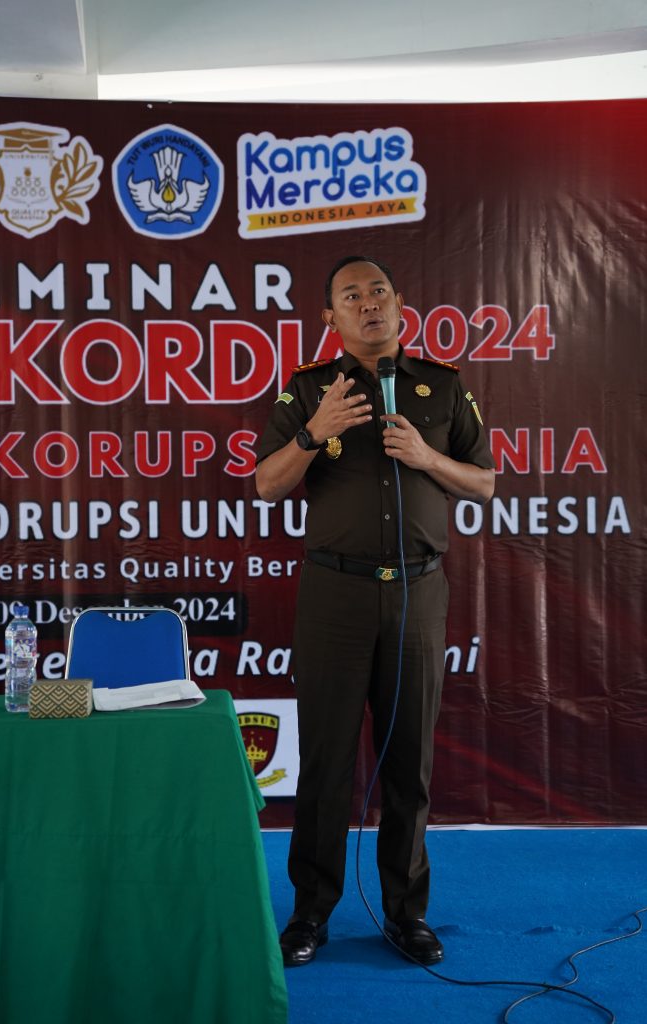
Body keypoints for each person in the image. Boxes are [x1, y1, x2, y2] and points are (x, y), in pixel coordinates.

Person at [255, 256, 495, 968]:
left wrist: (426, 456)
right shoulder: (308, 389)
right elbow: (266, 486)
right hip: (335, 594)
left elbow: (483, 483)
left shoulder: (442, 386)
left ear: (399, 304)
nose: (369, 303)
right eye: (352, 295)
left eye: (379, 291)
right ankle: (310, 913)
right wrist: (312, 432)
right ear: (329, 317)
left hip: (418, 593)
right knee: (326, 763)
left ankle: (406, 914)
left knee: (408, 765)